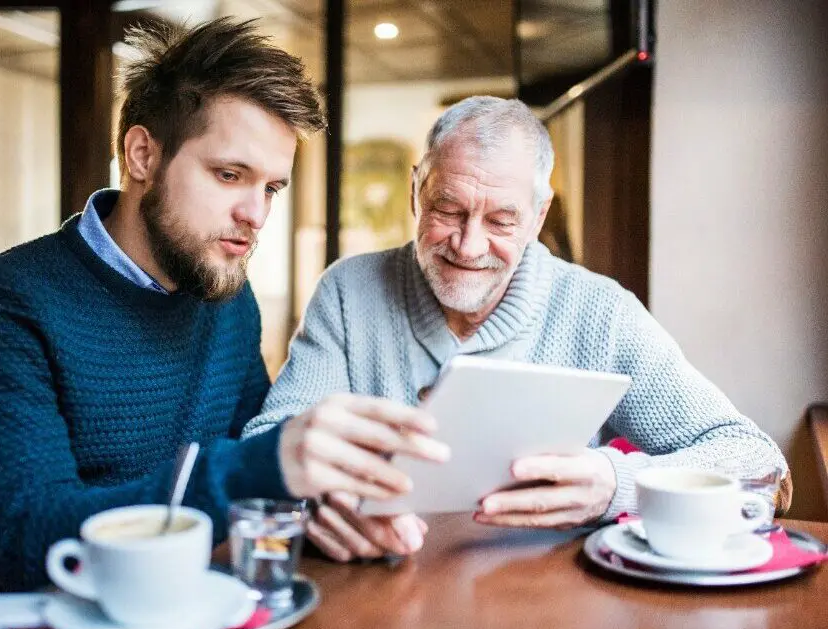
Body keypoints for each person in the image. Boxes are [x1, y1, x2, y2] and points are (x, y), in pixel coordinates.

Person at [0, 19, 448, 629]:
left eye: (272, 187)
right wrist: (266, 466)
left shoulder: (228, 297)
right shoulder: (3, 300)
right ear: (142, 155)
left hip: (157, 612)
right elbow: (32, 546)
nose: (256, 214)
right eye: (230, 175)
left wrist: (327, 507)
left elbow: (252, 477)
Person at [243, 96, 791, 563]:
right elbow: (266, 443)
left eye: (501, 221)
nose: (469, 245)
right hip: (380, 588)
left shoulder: (599, 312)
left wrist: (616, 484)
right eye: (447, 210)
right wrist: (319, 500)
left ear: (538, 215)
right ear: (415, 191)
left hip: (547, 602)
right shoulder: (348, 291)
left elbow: (758, 462)